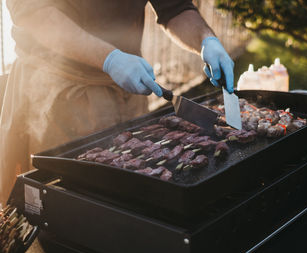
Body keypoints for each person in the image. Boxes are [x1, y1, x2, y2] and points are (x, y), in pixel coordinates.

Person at [0, 0, 234, 206]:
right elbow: (33, 12)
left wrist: (206, 39)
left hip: (126, 87)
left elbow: (174, 7)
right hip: (56, 96)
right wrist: (109, 58)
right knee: (64, 206)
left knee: (130, 203)